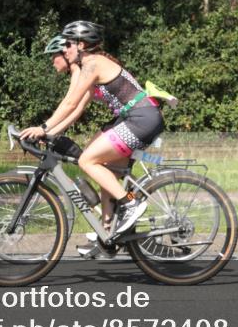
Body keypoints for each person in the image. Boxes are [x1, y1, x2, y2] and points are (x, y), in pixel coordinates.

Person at [20, 21, 165, 257]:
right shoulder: (89, 64)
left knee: (88, 161)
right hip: (135, 118)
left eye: (68, 44)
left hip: (141, 118)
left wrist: (43, 127)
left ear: (82, 45)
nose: (64, 49)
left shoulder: (92, 63)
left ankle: (131, 202)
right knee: (103, 168)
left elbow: (69, 103)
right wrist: (50, 132)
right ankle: (107, 232)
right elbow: (77, 107)